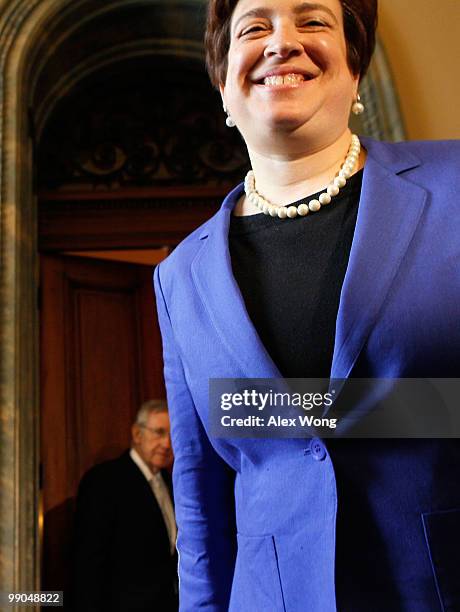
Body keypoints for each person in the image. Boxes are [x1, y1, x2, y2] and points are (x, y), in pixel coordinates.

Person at [153, 0, 460, 610]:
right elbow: (202, 504)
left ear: (354, 67)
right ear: (222, 83)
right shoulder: (180, 276)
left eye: (313, 21)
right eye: (254, 27)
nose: (281, 42)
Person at [71, 399, 178, 612]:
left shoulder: (173, 483)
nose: (167, 444)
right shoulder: (104, 481)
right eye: (159, 432)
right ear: (137, 434)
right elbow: (89, 564)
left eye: (172, 434)